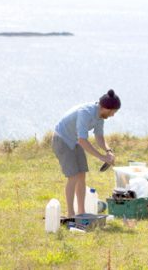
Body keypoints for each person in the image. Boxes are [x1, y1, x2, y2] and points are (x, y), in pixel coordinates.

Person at [52, 89, 120, 217]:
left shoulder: (100, 117)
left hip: (75, 140)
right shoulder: (86, 112)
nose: (113, 115)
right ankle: (71, 215)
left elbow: (99, 137)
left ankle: (81, 212)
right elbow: (83, 140)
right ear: (106, 108)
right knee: (73, 176)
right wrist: (101, 157)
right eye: (113, 112)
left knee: (81, 175)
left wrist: (108, 151)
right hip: (62, 139)